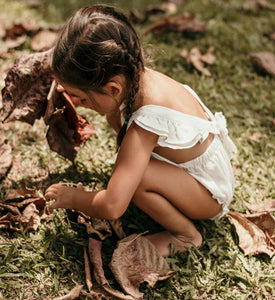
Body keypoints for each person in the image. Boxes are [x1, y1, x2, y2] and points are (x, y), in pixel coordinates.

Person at [45, 4, 237, 257]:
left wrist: (73, 198)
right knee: (130, 165)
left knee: (138, 180)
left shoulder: (146, 123)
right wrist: (76, 92)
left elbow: (113, 205)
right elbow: (112, 110)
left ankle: (186, 235)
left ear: (113, 89)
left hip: (207, 195)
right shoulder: (134, 75)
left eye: (79, 96)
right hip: (197, 173)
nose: (75, 100)